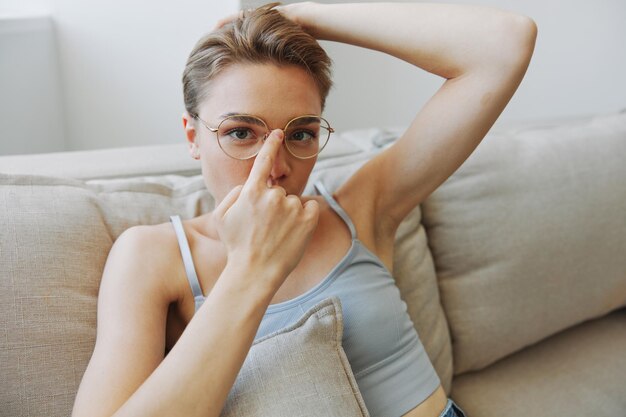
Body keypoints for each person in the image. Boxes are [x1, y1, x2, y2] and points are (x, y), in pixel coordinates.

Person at [72, 2, 536, 417]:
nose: (273, 166)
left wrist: (302, 17)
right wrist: (252, 267)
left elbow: (505, 43)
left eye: (300, 134)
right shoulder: (153, 257)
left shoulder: (359, 208)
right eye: (240, 132)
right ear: (193, 136)